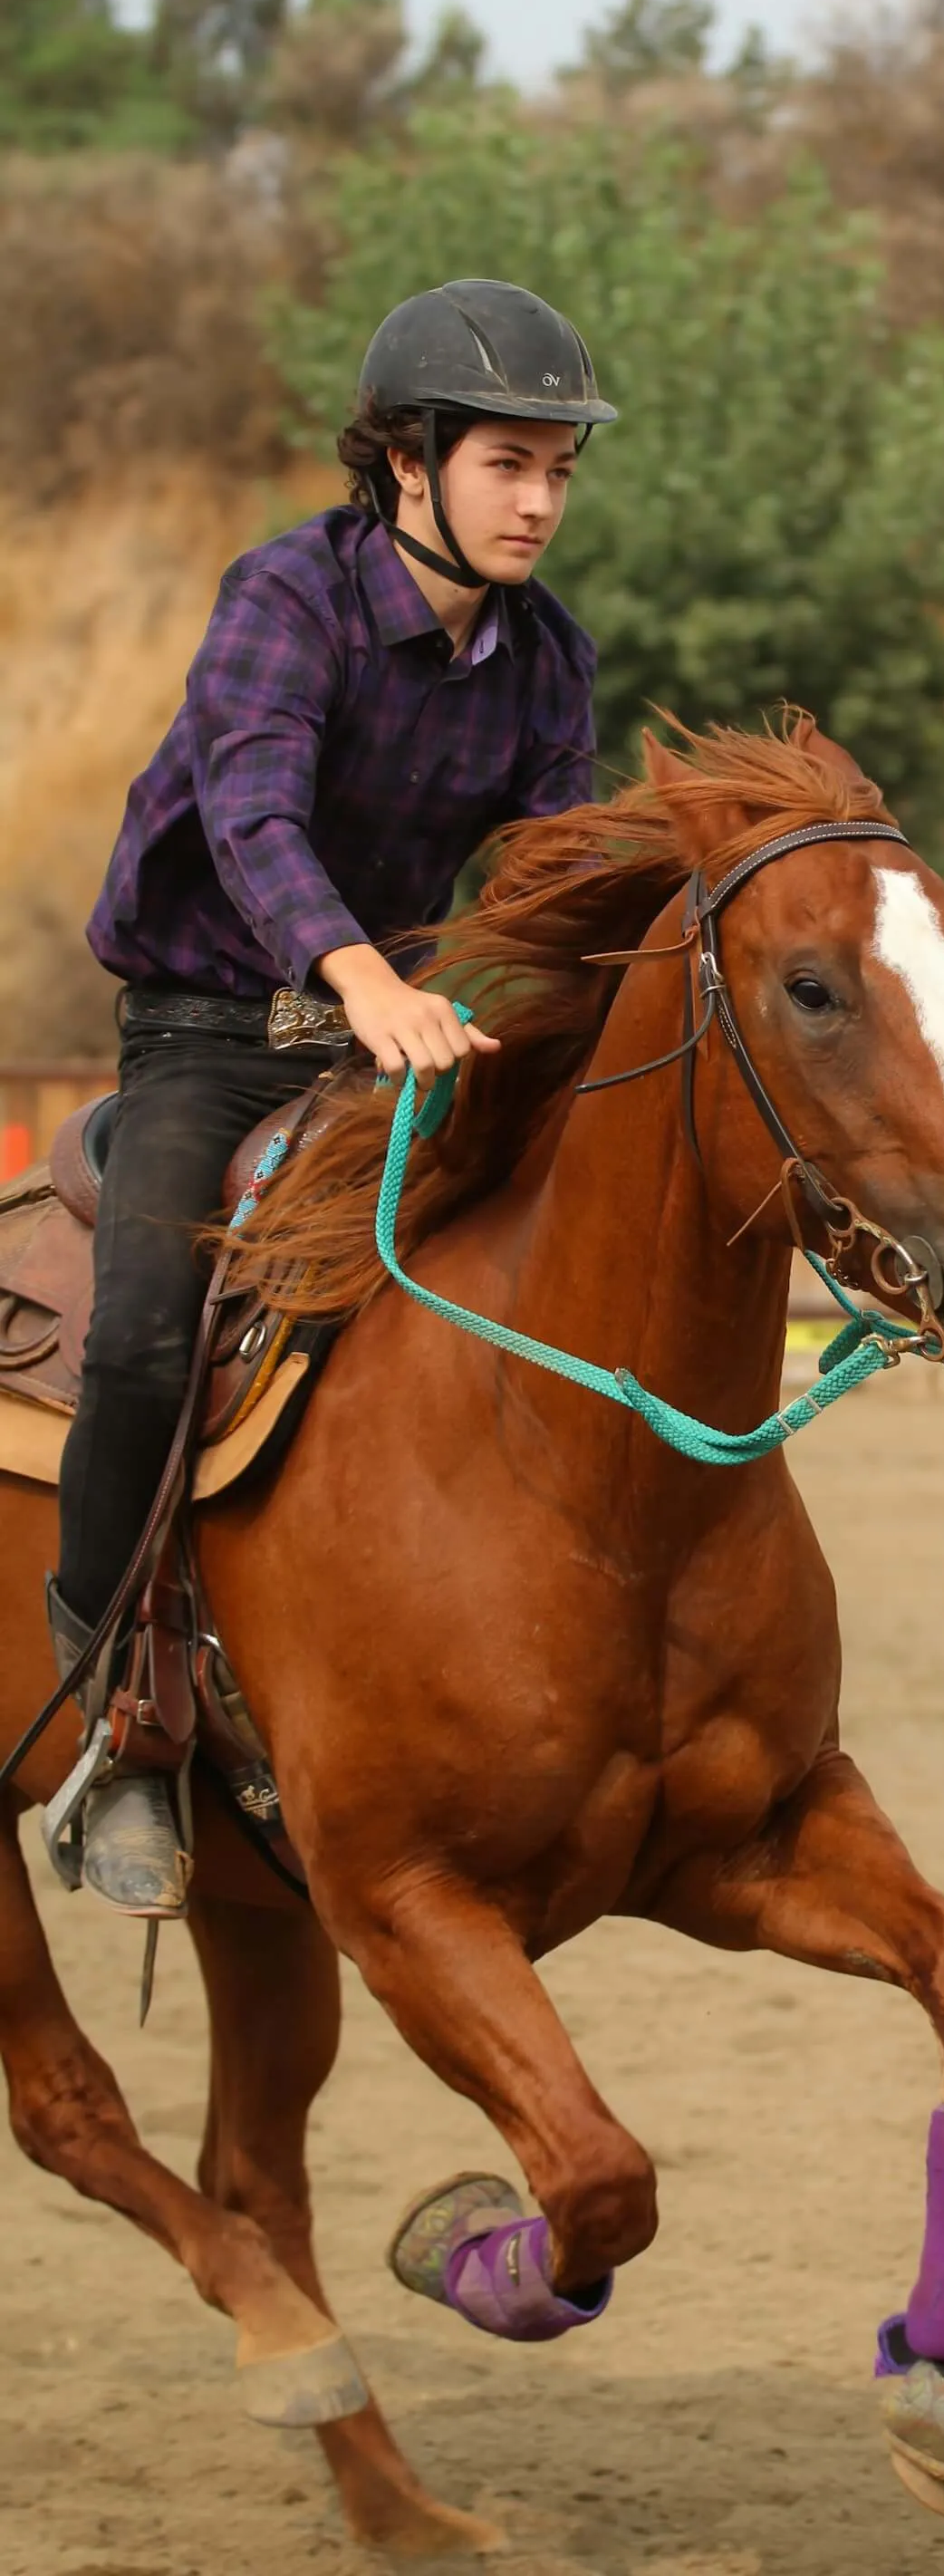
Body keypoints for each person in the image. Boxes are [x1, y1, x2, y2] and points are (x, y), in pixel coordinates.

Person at [52, 277, 615, 1921]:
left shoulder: (549, 659)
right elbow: (252, 814)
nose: (540, 501)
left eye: (561, 471)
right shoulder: (283, 596)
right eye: (510, 462)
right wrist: (361, 973)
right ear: (407, 462)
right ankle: (117, 1729)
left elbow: (543, 881)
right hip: (213, 1028)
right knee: (149, 1326)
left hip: (398, 1032)